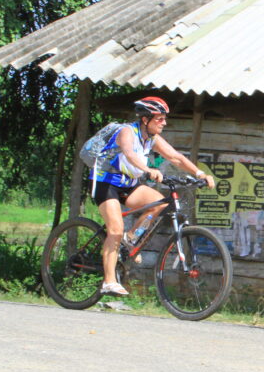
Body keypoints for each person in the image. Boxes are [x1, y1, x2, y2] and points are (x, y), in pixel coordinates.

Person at [91, 97, 215, 296]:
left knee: (158, 204)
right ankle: (108, 281)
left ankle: (130, 239)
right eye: (160, 119)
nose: (164, 123)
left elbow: (176, 157)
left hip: (128, 184)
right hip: (106, 183)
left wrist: (200, 174)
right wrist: (147, 169)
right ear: (146, 119)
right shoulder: (127, 131)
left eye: (164, 119)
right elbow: (129, 153)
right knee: (114, 229)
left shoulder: (152, 139)